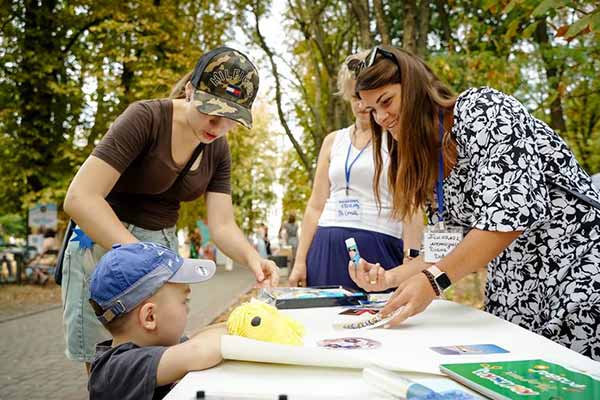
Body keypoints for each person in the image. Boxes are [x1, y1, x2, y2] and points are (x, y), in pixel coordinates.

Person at [350, 45, 600, 360]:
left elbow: (506, 221)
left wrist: (432, 281)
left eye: (386, 101)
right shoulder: (428, 157)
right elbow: (448, 247)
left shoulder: (484, 109)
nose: (382, 117)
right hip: (517, 291)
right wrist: (392, 277)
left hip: (576, 275)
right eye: (372, 109)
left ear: (414, 88)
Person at [62, 46, 279, 371]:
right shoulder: (145, 119)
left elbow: (221, 225)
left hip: (159, 245)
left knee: (157, 353)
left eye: (231, 119)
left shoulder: (217, 149)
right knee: (104, 361)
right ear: (191, 89)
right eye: (211, 111)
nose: (217, 126)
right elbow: (81, 197)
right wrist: (140, 259)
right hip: (105, 242)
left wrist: (253, 259)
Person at [288, 52, 423, 290]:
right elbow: (315, 205)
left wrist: (410, 263)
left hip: (379, 246)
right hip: (326, 248)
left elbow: (411, 205)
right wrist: (300, 261)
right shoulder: (333, 141)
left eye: (366, 98)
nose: (362, 106)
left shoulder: (396, 137)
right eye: (355, 98)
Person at [87, 241, 226, 400]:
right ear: (150, 317)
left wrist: (238, 322)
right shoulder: (116, 369)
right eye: (184, 301)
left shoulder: (151, 346)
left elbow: (197, 338)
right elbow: (200, 350)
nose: (188, 308)